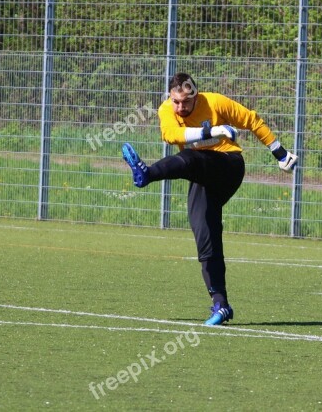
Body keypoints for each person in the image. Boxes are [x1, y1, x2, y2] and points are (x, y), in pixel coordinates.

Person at [122, 72, 297, 326]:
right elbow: (172, 136)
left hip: (228, 166)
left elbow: (251, 120)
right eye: (176, 102)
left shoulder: (214, 102)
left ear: (196, 96)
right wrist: (211, 131)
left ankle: (147, 174)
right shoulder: (166, 110)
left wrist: (279, 152)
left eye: (185, 102)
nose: (180, 107)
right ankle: (221, 304)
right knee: (205, 234)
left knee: (191, 159)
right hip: (201, 174)